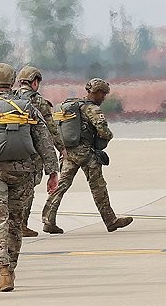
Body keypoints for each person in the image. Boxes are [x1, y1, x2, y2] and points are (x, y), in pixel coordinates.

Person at [0, 63, 59, 292]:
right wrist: (52, 172)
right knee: (14, 222)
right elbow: (44, 140)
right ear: (12, 81)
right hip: (23, 171)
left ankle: (2, 271)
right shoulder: (29, 107)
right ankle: (11, 269)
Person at [41, 78, 132, 234]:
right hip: (85, 154)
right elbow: (103, 130)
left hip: (68, 152)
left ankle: (48, 220)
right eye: (103, 94)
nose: (103, 98)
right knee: (98, 186)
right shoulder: (92, 109)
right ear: (96, 93)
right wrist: (107, 137)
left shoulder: (75, 106)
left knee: (61, 185)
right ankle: (110, 221)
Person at [14, 65, 54, 238]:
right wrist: (61, 148)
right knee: (28, 190)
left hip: (13, 149)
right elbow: (50, 128)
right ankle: (22, 225)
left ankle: (13, 224)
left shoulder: (12, 98)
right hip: (33, 152)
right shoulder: (38, 102)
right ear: (35, 82)